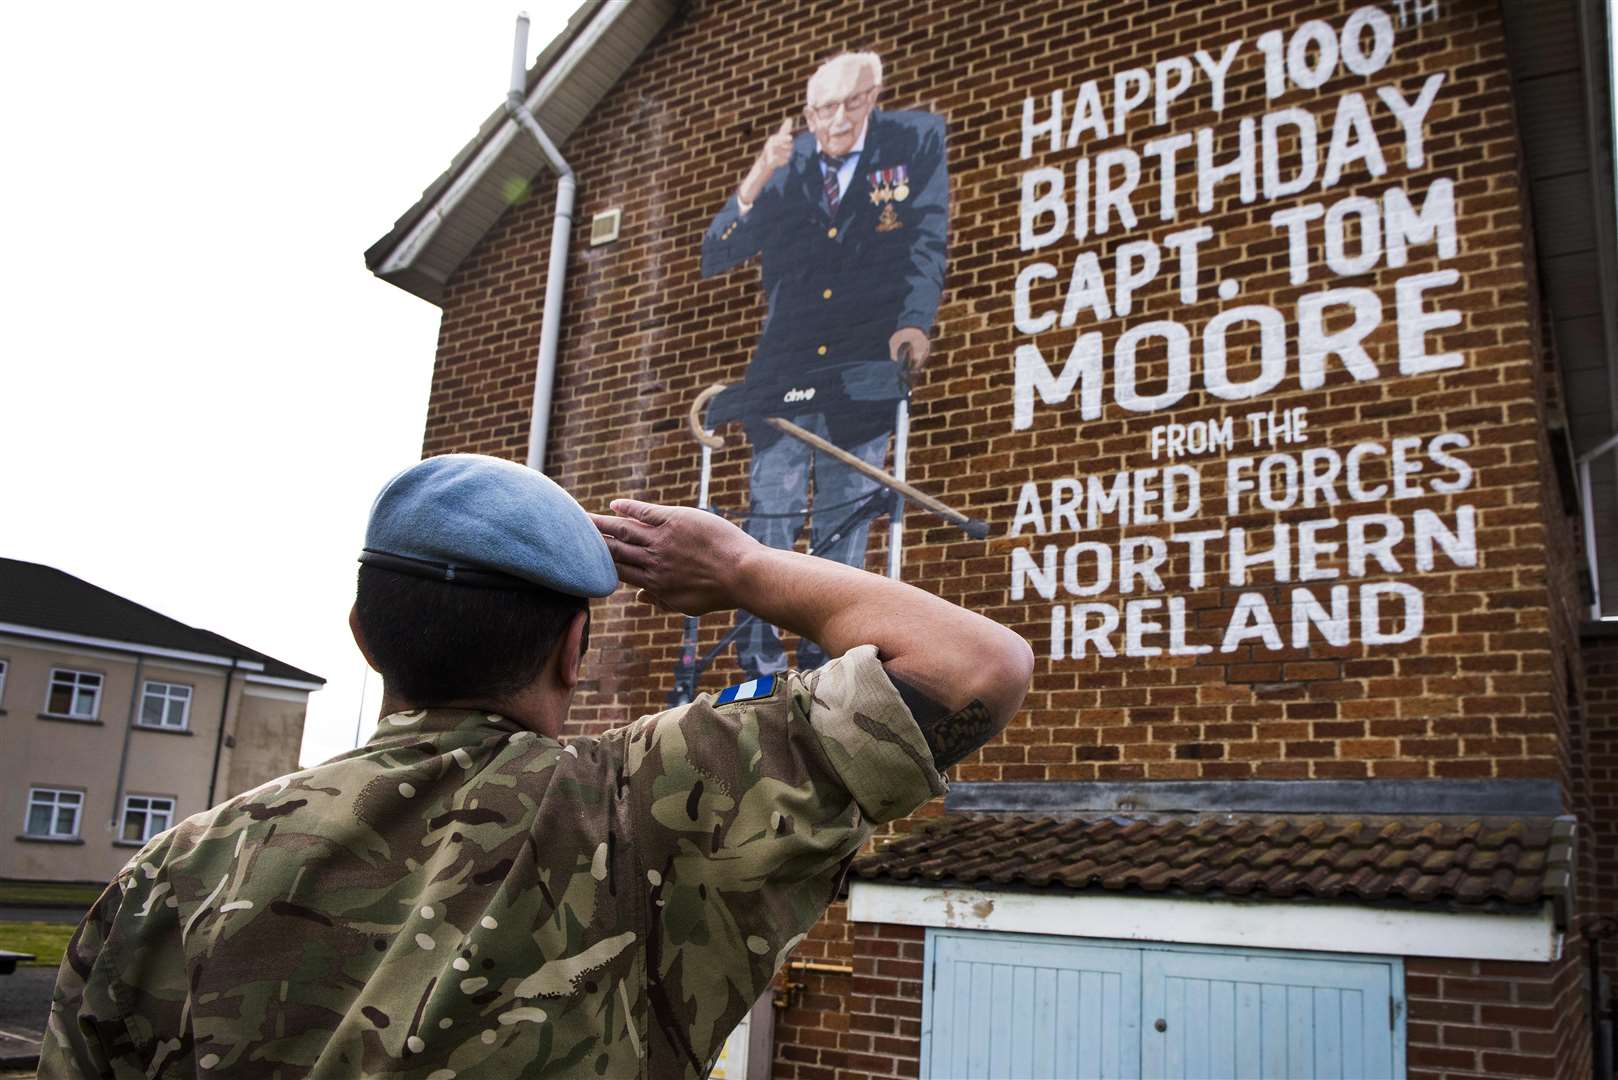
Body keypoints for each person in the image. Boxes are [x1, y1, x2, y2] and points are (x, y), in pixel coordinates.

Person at [42, 454, 1031, 1079]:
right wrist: (741, 568)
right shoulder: (643, 807)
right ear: (572, 651)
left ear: (362, 637)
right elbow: (976, 667)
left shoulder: (172, 875)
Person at [701, 51, 949, 679]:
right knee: (769, 527)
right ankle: (760, 667)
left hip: (864, 371)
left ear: (875, 96)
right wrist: (760, 172)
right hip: (781, 373)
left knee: (849, 522)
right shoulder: (788, 162)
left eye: (852, 104)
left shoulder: (914, 139)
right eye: (823, 109)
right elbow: (717, 253)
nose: (837, 121)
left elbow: (926, 236)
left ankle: (828, 666)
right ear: (807, 111)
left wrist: (915, 323)